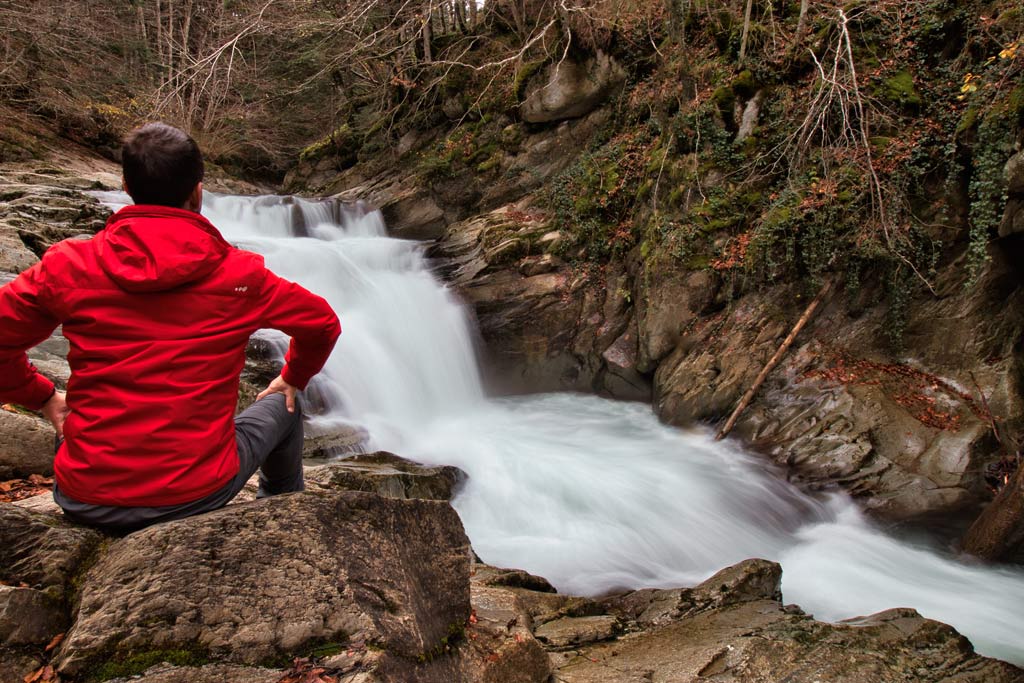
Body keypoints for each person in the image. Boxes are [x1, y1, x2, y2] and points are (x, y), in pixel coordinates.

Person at [0, 122, 341, 531]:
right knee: (287, 404)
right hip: (196, 494)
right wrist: (293, 376)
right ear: (198, 190)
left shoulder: (69, 265)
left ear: (126, 185)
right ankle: (282, 515)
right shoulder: (239, 275)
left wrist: (42, 396)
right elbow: (321, 323)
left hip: (83, 496)